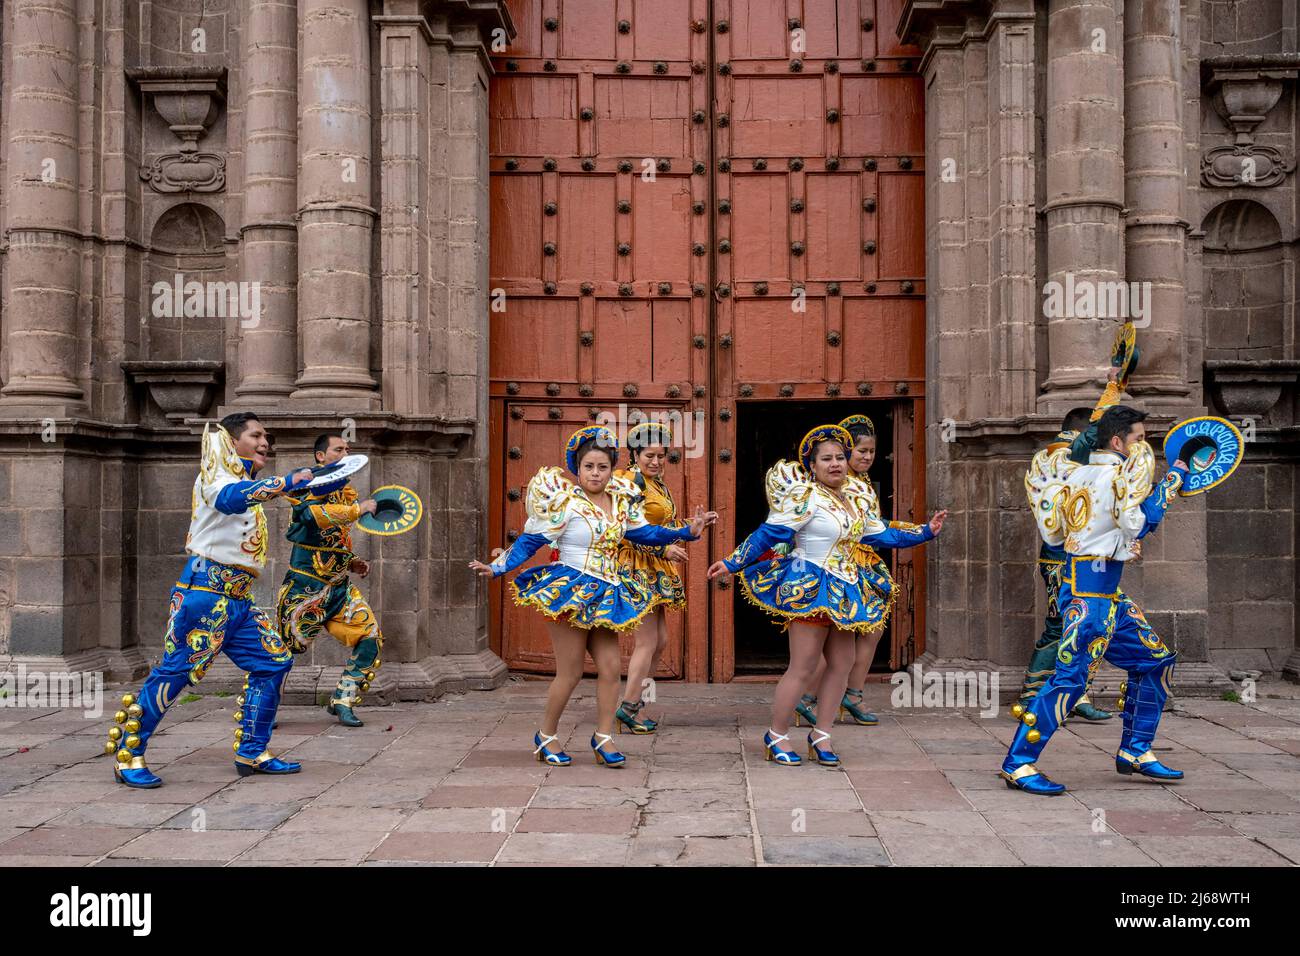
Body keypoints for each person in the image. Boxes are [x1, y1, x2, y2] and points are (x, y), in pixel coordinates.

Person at [470, 425, 712, 768]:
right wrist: (496, 568)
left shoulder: (621, 501)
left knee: (611, 669)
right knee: (569, 674)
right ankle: (547, 735)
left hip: (606, 593)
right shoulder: (565, 504)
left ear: (612, 468)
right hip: (569, 590)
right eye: (589, 467)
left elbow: (646, 533)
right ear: (577, 469)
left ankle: (604, 737)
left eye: (602, 467)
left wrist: (686, 532)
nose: (595, 474)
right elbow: (530, 542)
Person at [707, 424, 946, 768]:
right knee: (803, 667)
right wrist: (732, 562)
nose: (835, 464)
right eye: (826, 459)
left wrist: (924, 532)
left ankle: (821, 734)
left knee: (842, 663)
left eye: (839, 458)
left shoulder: (857, 498)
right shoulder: (805, 497)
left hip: (846, 589)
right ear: (813, 466)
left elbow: (880, 536)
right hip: (810, 587)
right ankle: (776, 735)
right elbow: (769, 533)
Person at [105, 413, 313, 787]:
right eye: (257, 435)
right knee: (175, 672)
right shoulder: (216, 477)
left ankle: (252, 752)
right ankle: (128, 753)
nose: (266, 442)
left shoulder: (246, 483)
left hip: (237, 599)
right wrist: (281, 483)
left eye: (266, 436)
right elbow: (230, 500)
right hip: (204, 593)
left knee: (273, 662)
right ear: (233, 442)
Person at [1001, 405, 1188, 794]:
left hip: (1102, 593)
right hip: (1091, 599)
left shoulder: (1072, 472)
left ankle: (1137, 750)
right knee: (1068, 681)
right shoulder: (1115, 478)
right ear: (1118, 441)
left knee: (1153, 662)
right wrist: (1172, 481)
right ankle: (1018, 763)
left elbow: (1058, 534)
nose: (1143, 446)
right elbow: (1139, 523)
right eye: (1139, 438)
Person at [1019, 368, 1129, 722]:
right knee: (1062, 624)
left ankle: (1072, 694)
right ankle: (1032, 697)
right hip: (1067, 558)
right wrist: (1114, 386)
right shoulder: (1064, 456)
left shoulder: (1051, 457)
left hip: (1075, 557)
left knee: (1082, 626)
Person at [793, 414, 902, 728]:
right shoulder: (837, 486)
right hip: (841, 568)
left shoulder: (861, 483)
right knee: (831, 636)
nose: (866, 457)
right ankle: (812, 697)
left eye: (871, 451)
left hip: (865, 565)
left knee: (870, 630)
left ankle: (847, 694)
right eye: (859, 451)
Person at [612, 421, 716, 734]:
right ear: (635, 454)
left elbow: (661, 527)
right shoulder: (628, 482)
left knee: (660, 642)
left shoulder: (658, 485)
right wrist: (663, 551)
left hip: (654, 568)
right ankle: (628, 708)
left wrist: (694, 525)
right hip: (635, 566)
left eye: (662, 456)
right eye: (650, 455)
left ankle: (639, 704)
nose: (656, 461)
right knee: (646, 641)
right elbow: (622, 530)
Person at [276, 432, 383, 727]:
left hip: (339, 588)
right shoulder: (304, 487)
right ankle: (263, 708)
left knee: (370, 639)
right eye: (338, 449)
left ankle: (343, 700)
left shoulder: (344, 491)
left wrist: (352, 562)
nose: (345, 453)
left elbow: (334, 540)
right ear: (320, 456)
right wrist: (356, 510)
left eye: (347, 449)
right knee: (281, 654)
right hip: (304, 589)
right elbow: (309, 519)